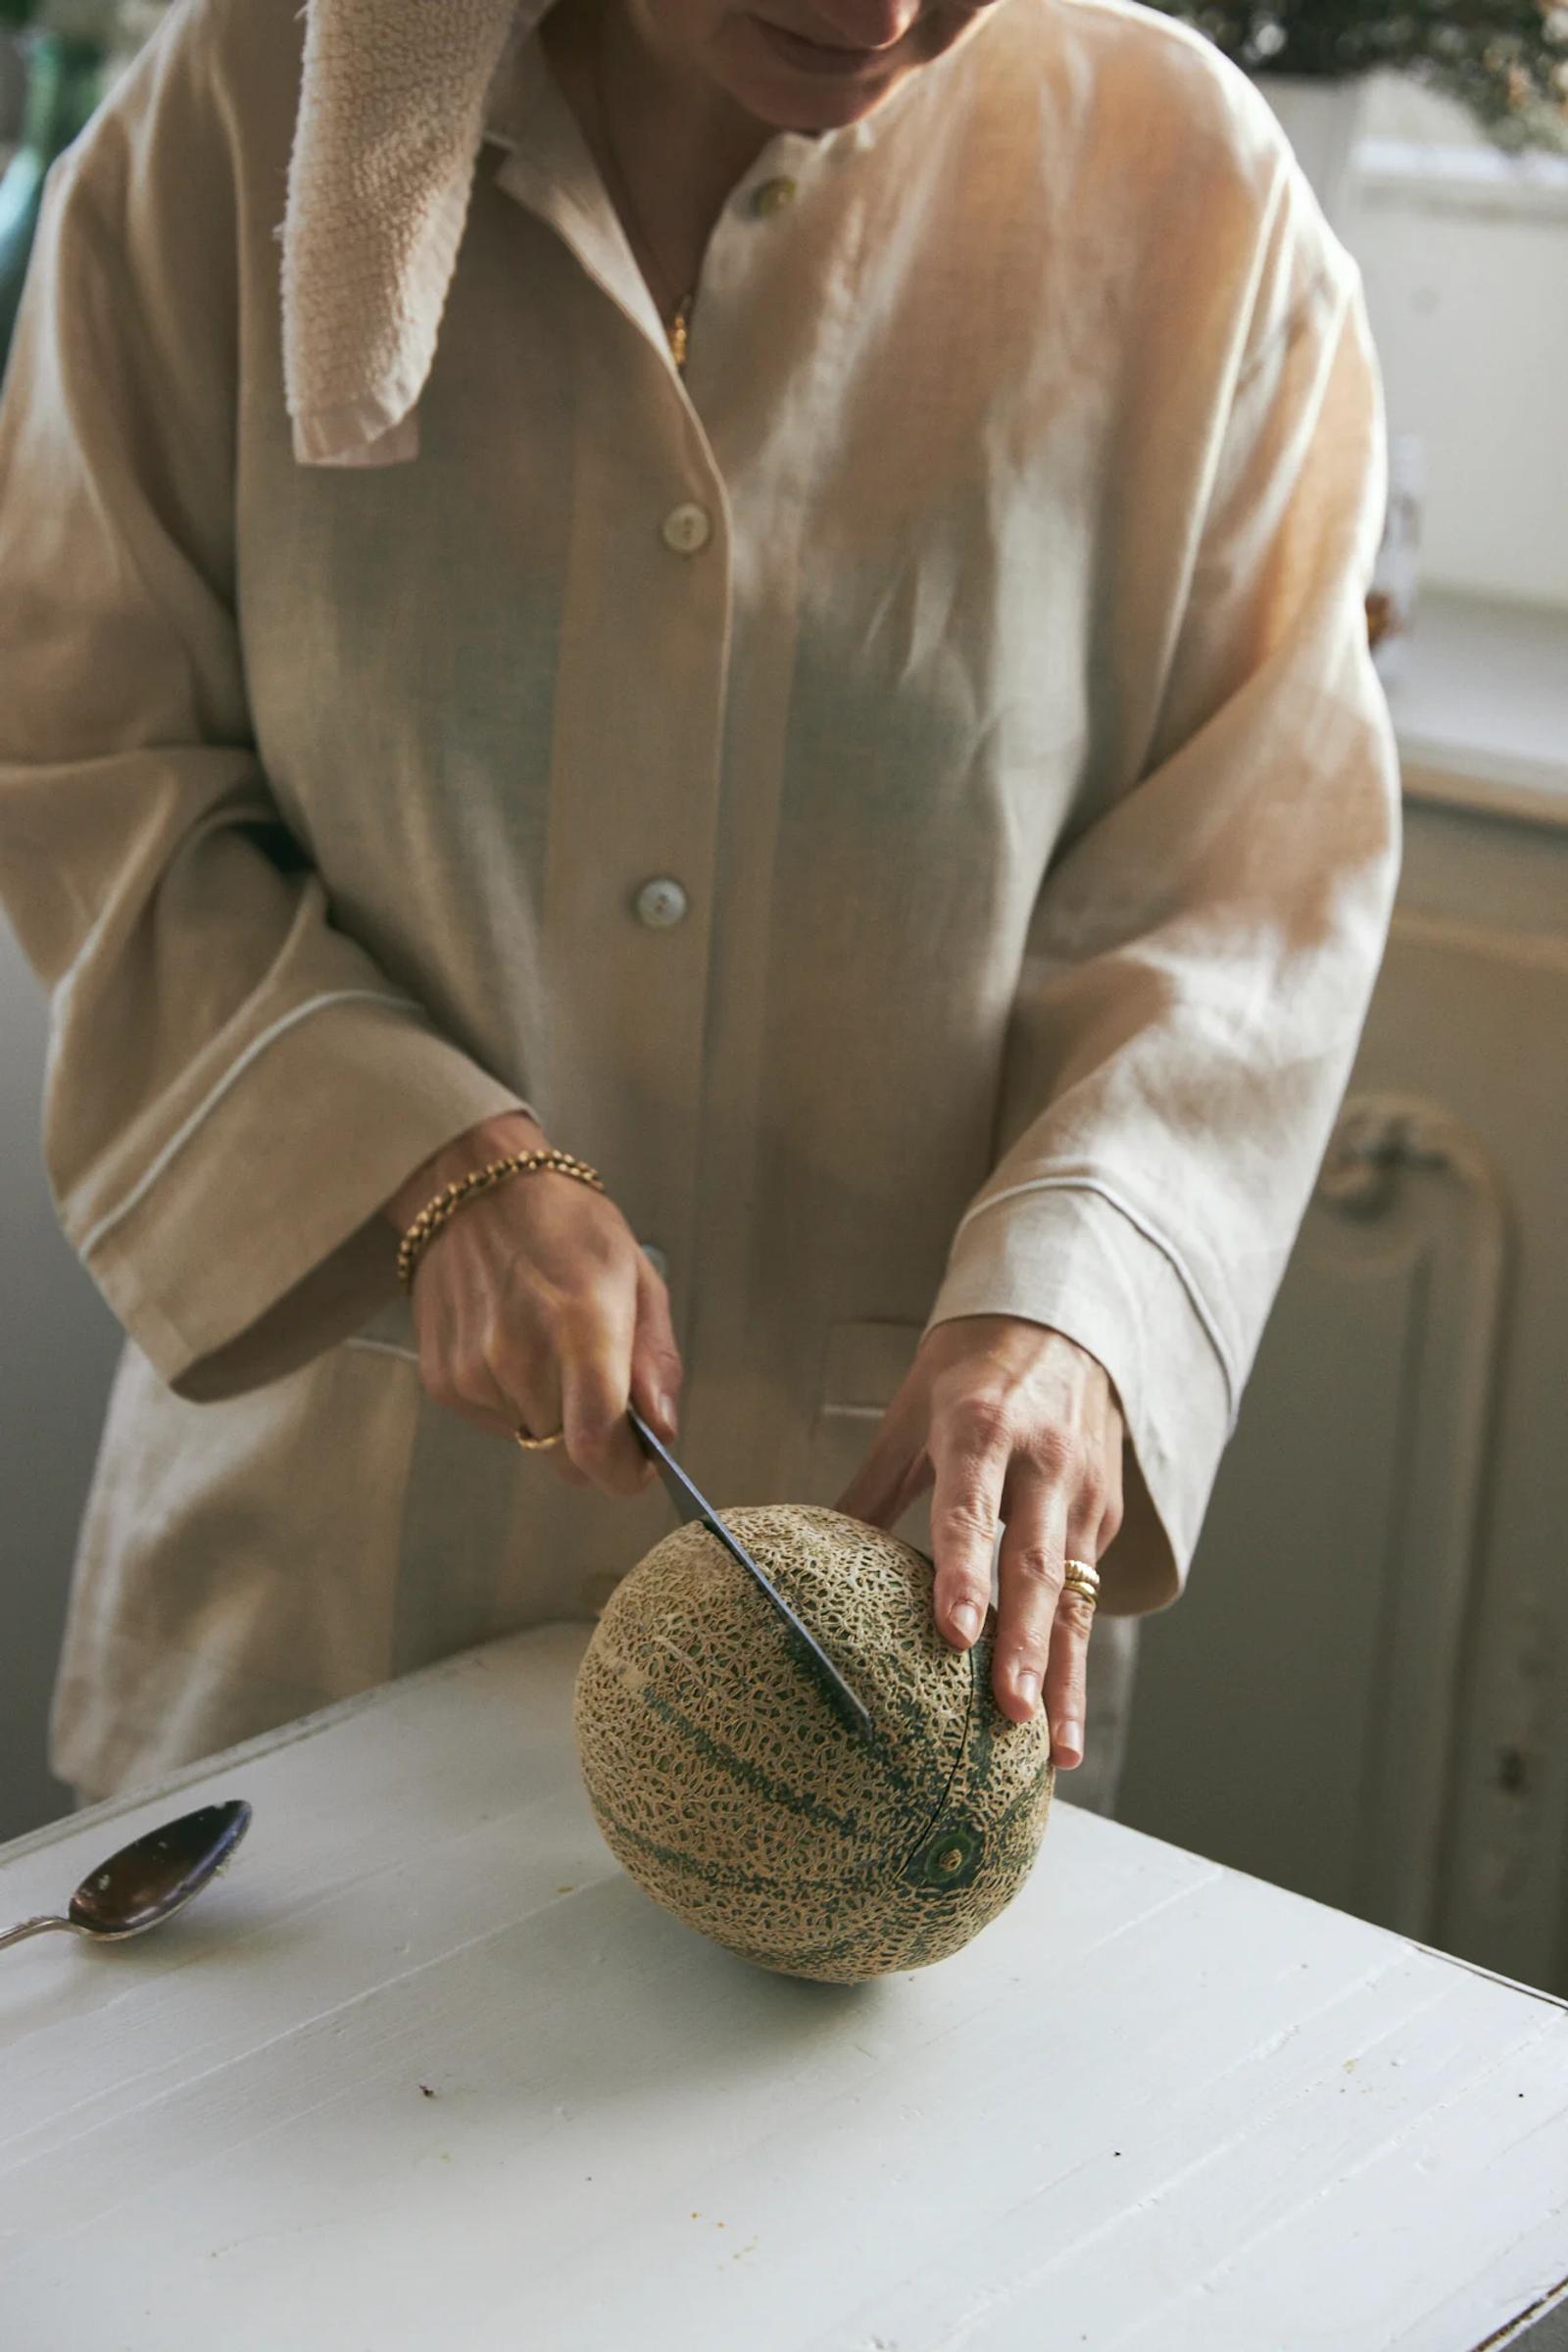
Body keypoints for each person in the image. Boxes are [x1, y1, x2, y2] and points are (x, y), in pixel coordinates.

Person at [0, 0, 1400, 1818]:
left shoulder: (1189, 188)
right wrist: (419, 1164)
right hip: (316, 1602)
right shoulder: (234, 109)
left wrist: (1082, 1304)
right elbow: (91, 764)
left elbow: (1249, 880)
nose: (879, 10)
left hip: (891, 1675)